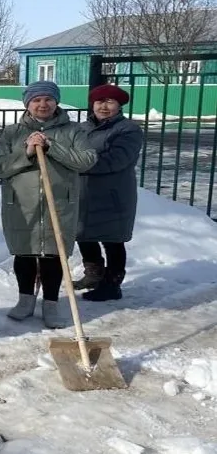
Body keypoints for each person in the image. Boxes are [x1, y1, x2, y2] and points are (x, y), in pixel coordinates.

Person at [0, 80, 97, 328]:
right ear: (27, 104)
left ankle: (51, 304)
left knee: (53, 254)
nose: (42, 104)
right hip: (21, 205)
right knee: (24, 253)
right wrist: (26, 152)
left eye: (48, 99)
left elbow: (86, 160)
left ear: (56, 101)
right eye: (36, 100)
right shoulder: (13, 132)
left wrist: (51, 146)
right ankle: (25, 300)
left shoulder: (73, 131)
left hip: (59, 204)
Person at [74, 83, 143, 302]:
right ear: (92, 105)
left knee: (112, 239)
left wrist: (76, 162)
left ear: (119, 105)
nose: (104, 106)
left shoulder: (128, 129)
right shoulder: (81, 129)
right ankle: (93, 275)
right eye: (99, 101)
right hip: (84, 193)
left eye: (110, 102)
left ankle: (113, 284)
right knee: (82, 233)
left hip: (113, 194)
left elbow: (117, 160)